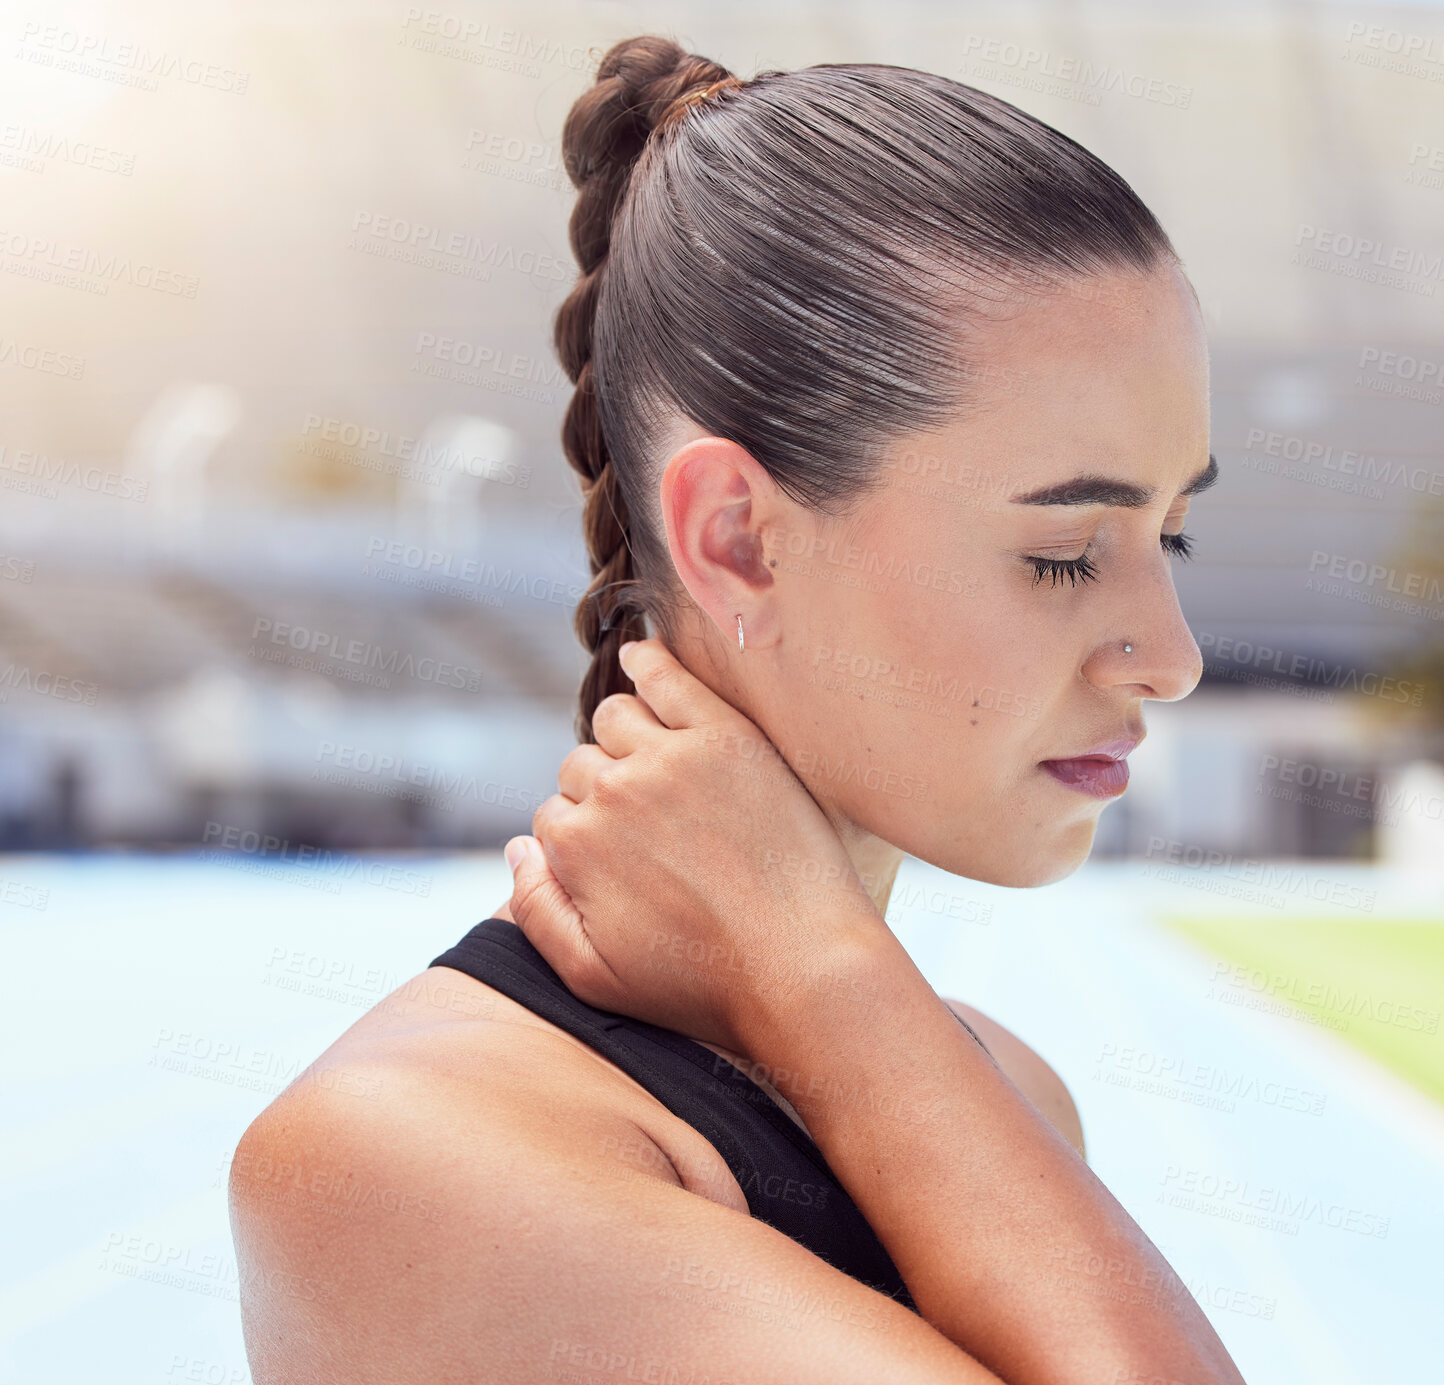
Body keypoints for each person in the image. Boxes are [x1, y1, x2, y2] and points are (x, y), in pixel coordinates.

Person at [229, 35, 1246, 1384]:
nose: (1170, 657)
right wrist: (818, 970)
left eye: (1168, 539)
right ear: (740, 541)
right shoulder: (408, 1151)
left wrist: (821, 976)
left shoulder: (996, 1088)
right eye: (1065, 549)